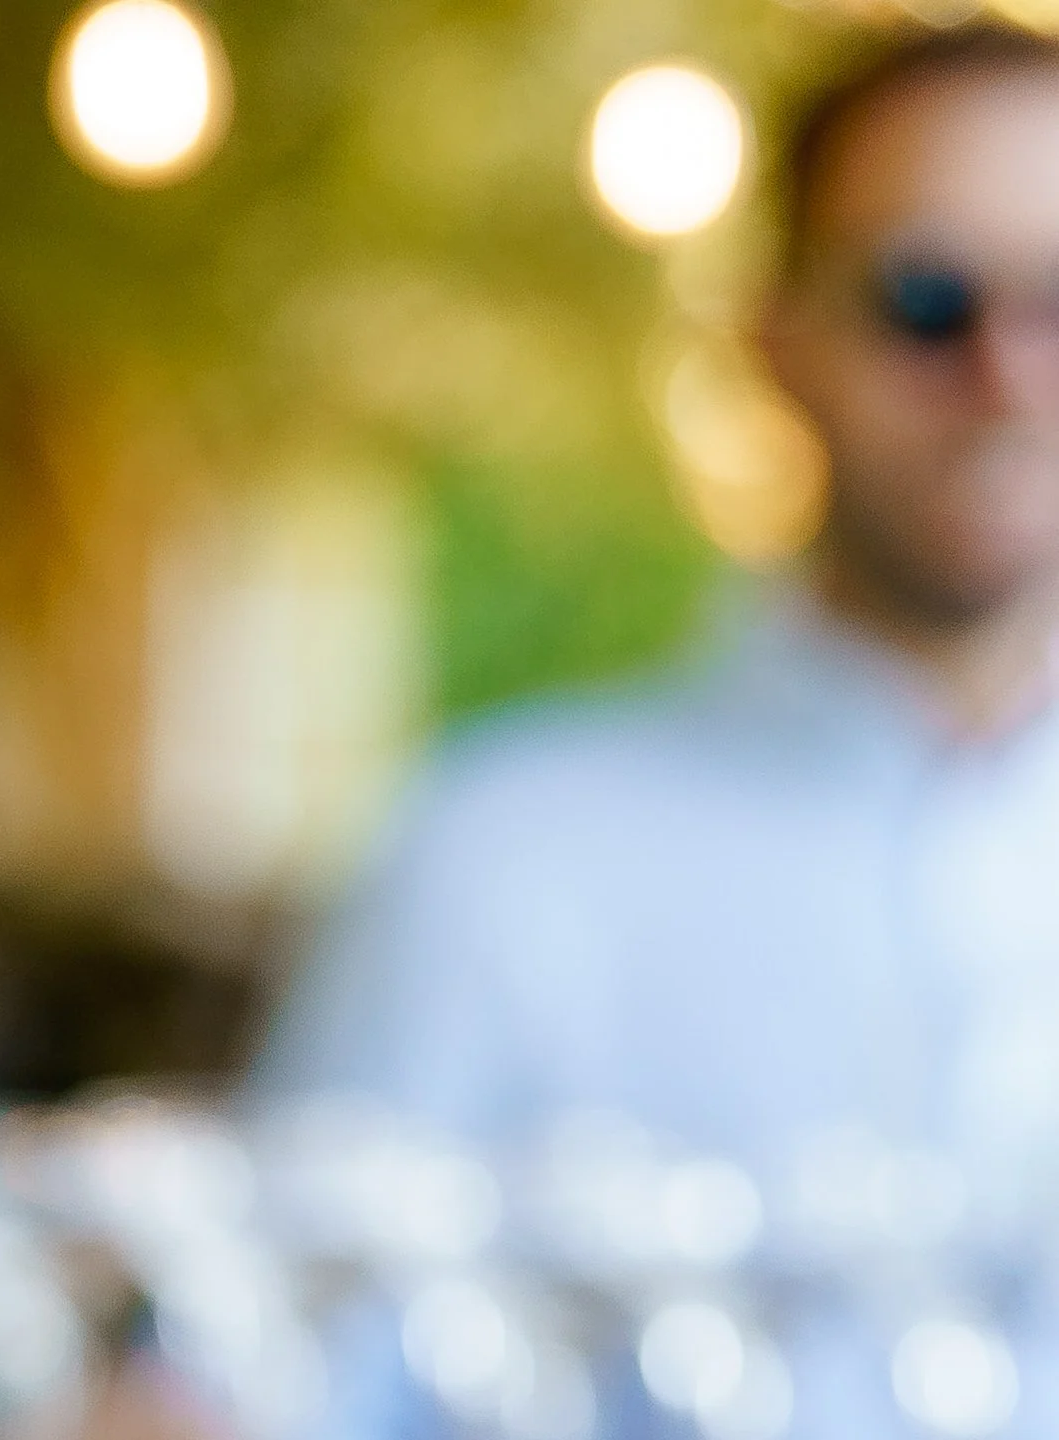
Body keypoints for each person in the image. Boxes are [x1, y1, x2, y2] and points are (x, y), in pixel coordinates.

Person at [262, 27, 1059, 1208]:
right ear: (776, 342)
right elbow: (271, 1366)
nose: (1008, 377)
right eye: (926, 302)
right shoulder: (501, 862)